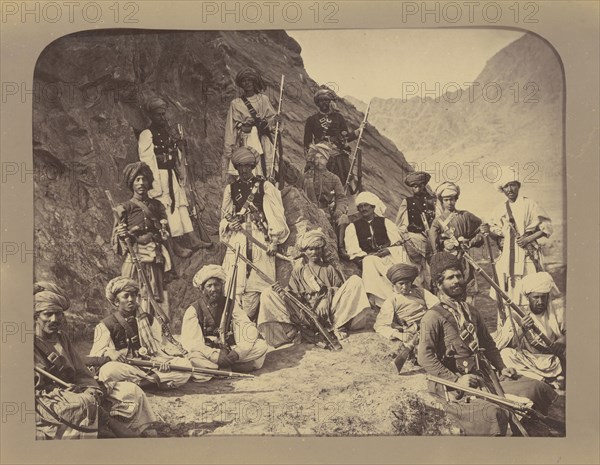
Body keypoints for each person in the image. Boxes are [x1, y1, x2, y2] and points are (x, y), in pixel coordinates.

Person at [417, 253, 557, 436]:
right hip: (455, 386)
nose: (457, 281)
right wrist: (455, 380)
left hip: (483, 377)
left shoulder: (472, 311)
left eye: (459, 276)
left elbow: (488, 343)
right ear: (438, 284)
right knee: (494, 412)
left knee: (537, 387)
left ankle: (537, 431)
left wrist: (501, 366)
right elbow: (424, 356)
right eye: (450, 277)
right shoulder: (432, 317)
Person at [34, 282, 157, 439]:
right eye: (48, 314)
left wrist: (89, 387)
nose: (54, 319)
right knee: (85, 403)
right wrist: (67, 392)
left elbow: (81, 371)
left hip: (77, 389)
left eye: (58, 314)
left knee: (131, 391)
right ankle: (114, 432)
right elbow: (38, 388)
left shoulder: (61, 337)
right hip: (50, 398)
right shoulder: (30, 343)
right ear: (36, 316)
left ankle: (137, 429)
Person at [259, 229, 371, 346]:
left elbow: (340, 291)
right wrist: (281, 292)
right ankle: (288, 333)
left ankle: (338, 326)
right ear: (304, 251)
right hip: (306, 314)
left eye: (317, 248)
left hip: (330, 312)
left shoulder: (329, 268)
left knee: (355, 281)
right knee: (268, 293)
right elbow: (293, 296)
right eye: (310, 249)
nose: (314, 252)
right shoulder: (298, 271)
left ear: (322, 250)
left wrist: (326, 298)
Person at [220, 146, 290, 321]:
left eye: (247, 166)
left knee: (260, 282)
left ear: (253, 166)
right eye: (240, 166)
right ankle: (236, 321)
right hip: (238, 238)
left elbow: (275, 215)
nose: (244, 170)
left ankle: (259, 320)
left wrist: (274, 240)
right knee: (235, 279)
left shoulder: (264, 186)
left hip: (260, 236)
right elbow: (224, 217)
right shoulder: (231, 188)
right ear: (236, 168)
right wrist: (230, 224)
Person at [89, 277, 193, 389]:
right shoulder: (105, 325)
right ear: (116, 302)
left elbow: (161, 346)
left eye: (133, 295)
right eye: (126, 296)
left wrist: (164, 363)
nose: (131, 299)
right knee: (108, 370)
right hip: (127, 367)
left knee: (184, 364)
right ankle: (154, 383)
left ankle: (144, 383)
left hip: (152, 364)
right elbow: (95, 354)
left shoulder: (149, 319)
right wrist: (109, 352)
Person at [138, 97, 210, 257]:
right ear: (151, 116)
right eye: (158, 115)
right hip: (159, 176)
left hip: (172, 175)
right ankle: (176, 245)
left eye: (164, 114)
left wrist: (179, 148)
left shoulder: (167, 132)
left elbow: (176, 155)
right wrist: (154, 183)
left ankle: (192, 239)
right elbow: (147, 160)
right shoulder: (147, 134)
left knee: (181, 205)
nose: (162, 118)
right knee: (166, 208)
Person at [480, 166, 553, 307]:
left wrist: (528, 239)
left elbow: (546, 227)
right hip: (508, 256)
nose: (510, 189)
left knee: (532, 289)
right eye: (506, 186)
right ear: (502, 190)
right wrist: (487, 230)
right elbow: (497, 232)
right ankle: (512, 324)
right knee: (509, 293)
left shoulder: (530, 204)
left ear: (518, 186)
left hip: (528, 254)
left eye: (512, 185)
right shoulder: (500, 208)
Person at [180, 265, 268, 373]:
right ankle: (225, 368)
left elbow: (247, 328)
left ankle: (220, 369)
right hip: (209, 354)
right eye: (209, 286)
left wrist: (237, 353)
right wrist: (216, 357)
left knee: (261, 346)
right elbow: (192, 344)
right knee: (194, 358)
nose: (214, 289)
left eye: (216, 285)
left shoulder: (230, 304)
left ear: (222, 286)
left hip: (230, 351)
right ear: (202, 289)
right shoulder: (193, 310)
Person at [112, 162, 173, 316]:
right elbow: (116, 239)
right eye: (137, 179)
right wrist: (121, 233)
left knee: (155, 293)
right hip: (134, 255)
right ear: (131, 183)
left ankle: (155, 328)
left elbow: (166, 233)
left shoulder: (157, 206)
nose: (141, 183)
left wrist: (162, 233)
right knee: (129, 291)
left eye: (144, 179)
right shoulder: (124, 208)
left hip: (153, 255)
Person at [344, 191, 419, 306]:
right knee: (369, 262)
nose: (363, 209)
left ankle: (402, 294)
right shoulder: (353, 227)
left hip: (390, 256)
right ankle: (382, 299)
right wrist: (367, 256)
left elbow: (398, 243)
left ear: (373, 207)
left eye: (366, 205)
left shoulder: (386, 222)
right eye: (360, 206)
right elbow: (353, 250)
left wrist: (388, 250)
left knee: (400, 265)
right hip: (372, 259)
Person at [499, 272, 565, 387]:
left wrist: (561, 341)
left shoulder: (556, 312)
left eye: (543, 297)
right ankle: (544, 380)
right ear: (527, 297)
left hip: (553, 360)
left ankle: (539, 379)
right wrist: (522, 329)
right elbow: (508, 344)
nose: (540, 302)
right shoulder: (517, 315)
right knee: (505, 354)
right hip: (529, 360)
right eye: (536, 297)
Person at [428, 181, 484, 302]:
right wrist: (443, 244)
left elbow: (481, 230)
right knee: (449, 288)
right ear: (442, 201)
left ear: (456, 199)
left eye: (452, 199)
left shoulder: (466, 215)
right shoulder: (438, 221)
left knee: (468, 287)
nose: (449, 203)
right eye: (446, 200)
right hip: (448, 260)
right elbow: (433, 242)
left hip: (465, 258)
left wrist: (473, 240)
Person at [223, 67, 281, 181]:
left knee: (265, 170)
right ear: (241, 84)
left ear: (254, 81)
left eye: (250, 80)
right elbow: (231, 128)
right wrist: (229, 150)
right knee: (246, 166)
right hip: (245, 141)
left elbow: (272, 121)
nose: (247, 83)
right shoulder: (235, 103)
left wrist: (275, 121)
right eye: (244, 81)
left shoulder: (263, 99)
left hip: (263, 141)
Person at [296, 143, 351, 254]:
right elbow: (298, 195)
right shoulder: (305, 177)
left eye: (322, 158)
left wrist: (339, 210)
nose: (319, 161)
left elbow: (341, 198)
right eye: (316, 158)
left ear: (327, 160)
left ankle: (340, 248)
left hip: (327, 213)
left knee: (344, 218)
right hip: (309, 212)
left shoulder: (334, 178)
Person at [303, 87, 364, 183]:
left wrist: (358, 132)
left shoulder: (339, 118)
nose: (323, 103)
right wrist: (311, 157)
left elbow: (345, 137)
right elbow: (307, 142)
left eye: (326, 100)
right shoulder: (311, 120)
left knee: (346, 180)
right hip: (320, 155)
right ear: (317, 103)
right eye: (321, 100)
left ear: (331, 102)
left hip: (338, 154)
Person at [374, 263, 439, 344]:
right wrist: (399, 335)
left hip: (431, 324)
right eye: (401, 284)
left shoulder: (420, 291)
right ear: (394, 284)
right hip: (412, 331)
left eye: (407, 283)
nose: (404, 287)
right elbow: (380, 326)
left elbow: (436, 305)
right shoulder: (391, 300)